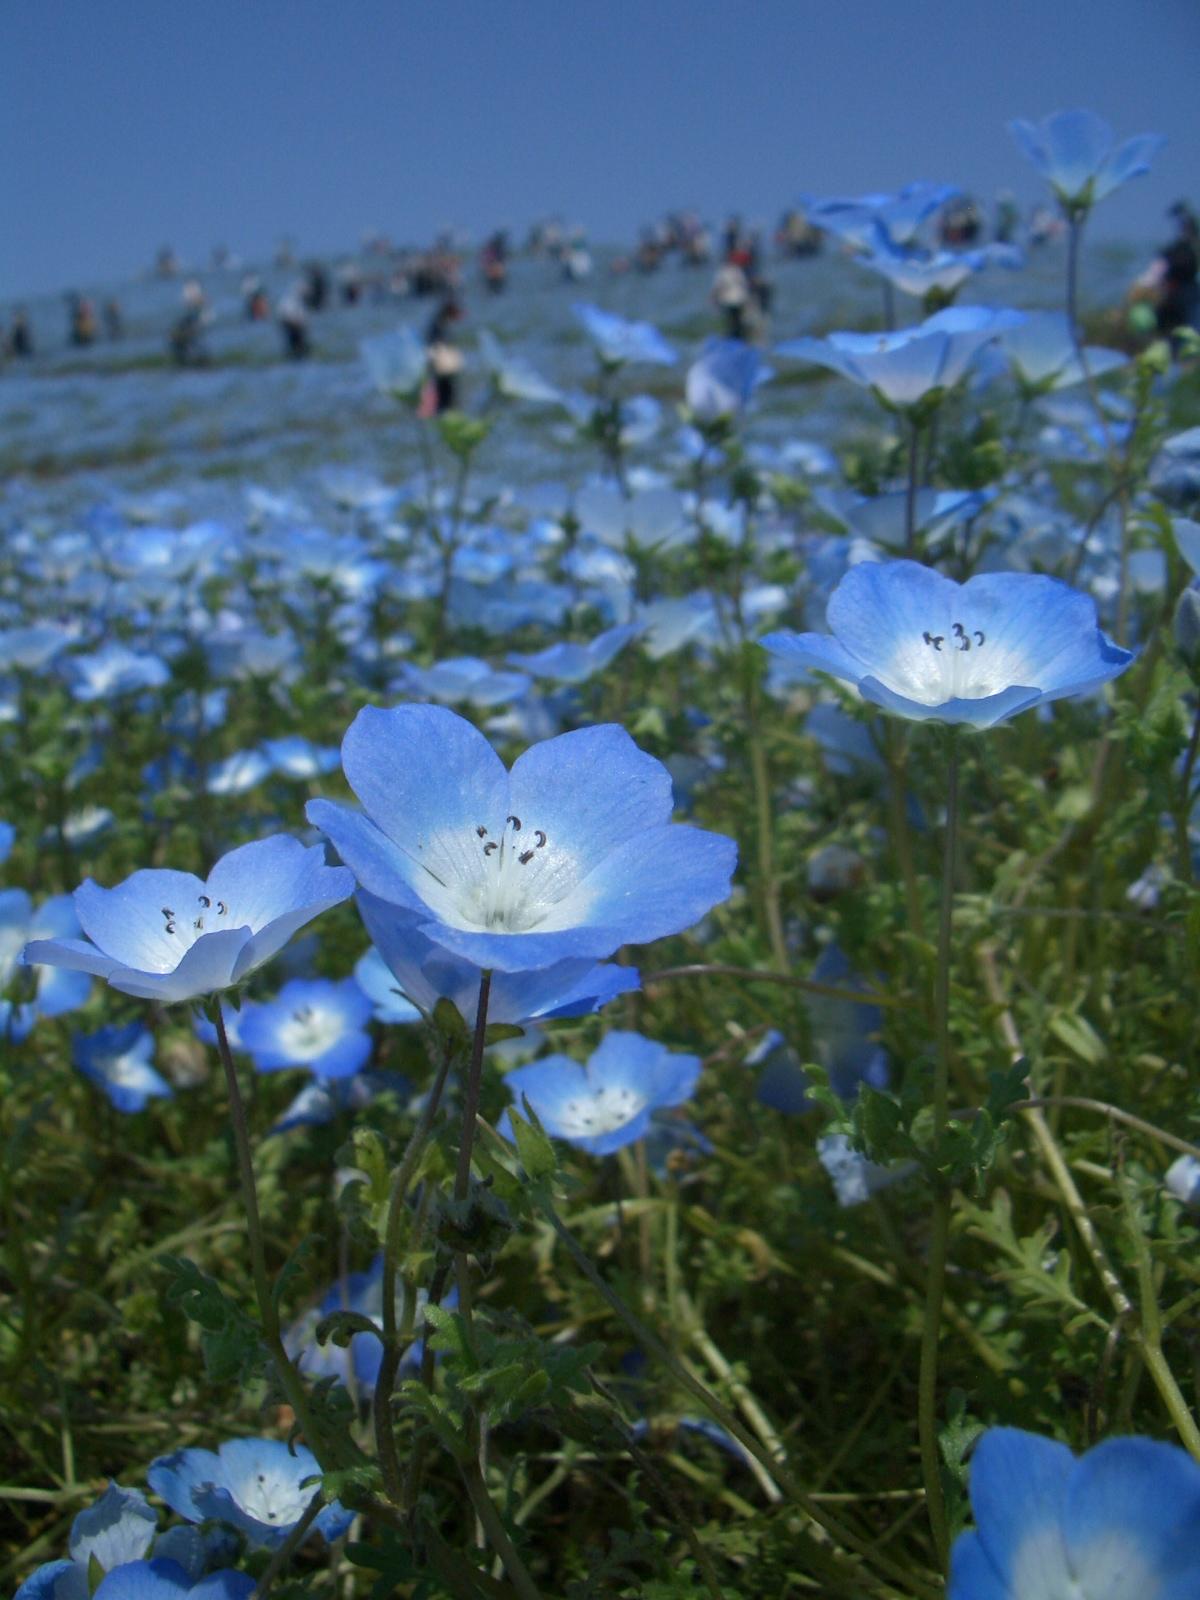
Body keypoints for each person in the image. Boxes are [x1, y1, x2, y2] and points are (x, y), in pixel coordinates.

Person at [1131, 203, 1200, 343]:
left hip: (1188, 298)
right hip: (1176, 299)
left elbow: (1152, 276)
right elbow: (1154, 275)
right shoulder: (1173, 251)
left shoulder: (1184, 250)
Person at [424, 296, 464, 414]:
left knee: (445, 397)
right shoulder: (439, 326)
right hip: (442, 369)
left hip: (442, 368)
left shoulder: (439, 323)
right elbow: (435, 349)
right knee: (446, 398)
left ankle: (445, 414)